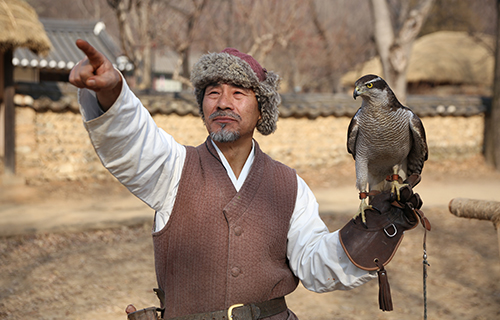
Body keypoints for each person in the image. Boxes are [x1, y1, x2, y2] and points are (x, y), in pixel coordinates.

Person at [70, 39, 378, 320]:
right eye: (213, 92)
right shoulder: (174, 168)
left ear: (262, 112)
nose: (223, 103)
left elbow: (314, 263)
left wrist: (376, 233)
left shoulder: (289, 186)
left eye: (238, 93)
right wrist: (111, 91)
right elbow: (134, 139)